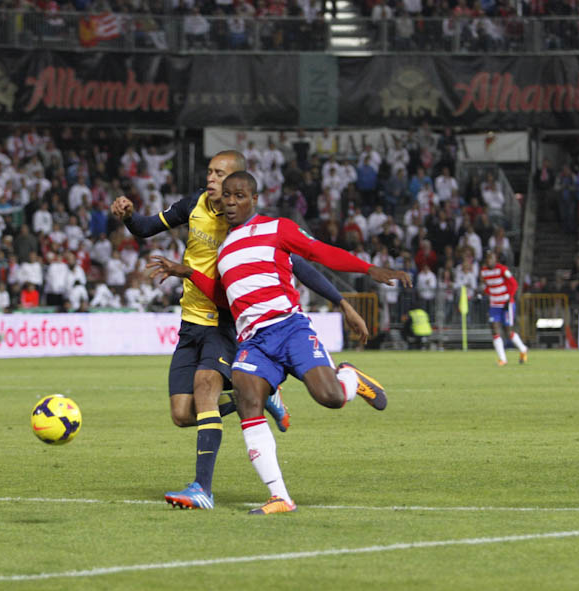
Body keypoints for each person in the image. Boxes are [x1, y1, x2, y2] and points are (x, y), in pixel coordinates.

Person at [111, 151, 367, 510]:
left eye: (220, 174)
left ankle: (203, 488)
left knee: (204, 390)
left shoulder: (247, 225)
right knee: (183, 415)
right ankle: (265, 396)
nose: (212, 180)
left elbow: (298, 265)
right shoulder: (193, 205)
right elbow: (144, 228)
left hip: (226, 322)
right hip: (191, 322)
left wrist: (341, 301)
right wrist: (127, 216)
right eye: (211, 173)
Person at [148, 171, 411, 514]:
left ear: (254, 200)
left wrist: (368, 269)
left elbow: (317, 253)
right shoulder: (223, 250)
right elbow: (224, 299)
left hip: (289, 328)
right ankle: (280, 496)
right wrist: (190, 273)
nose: (230, 201)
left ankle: (350, 379)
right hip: (253, 341)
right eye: (226, 196)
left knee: (330, 398)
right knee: (248, 402)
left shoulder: (277, 228)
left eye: (239, 195)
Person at [480, 250, 529, 366]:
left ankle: (523, 349)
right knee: (494, 329)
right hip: (494, 305)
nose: (489, 261)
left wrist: (509, 298)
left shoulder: (502, 269)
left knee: (508, 331)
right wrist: (483, 293)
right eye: (487, 259)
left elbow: (514, 284)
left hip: (506, 304)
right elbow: (489, 286)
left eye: (491, 258)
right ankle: (503, 359)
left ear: (495, 259)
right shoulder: (484, 272)